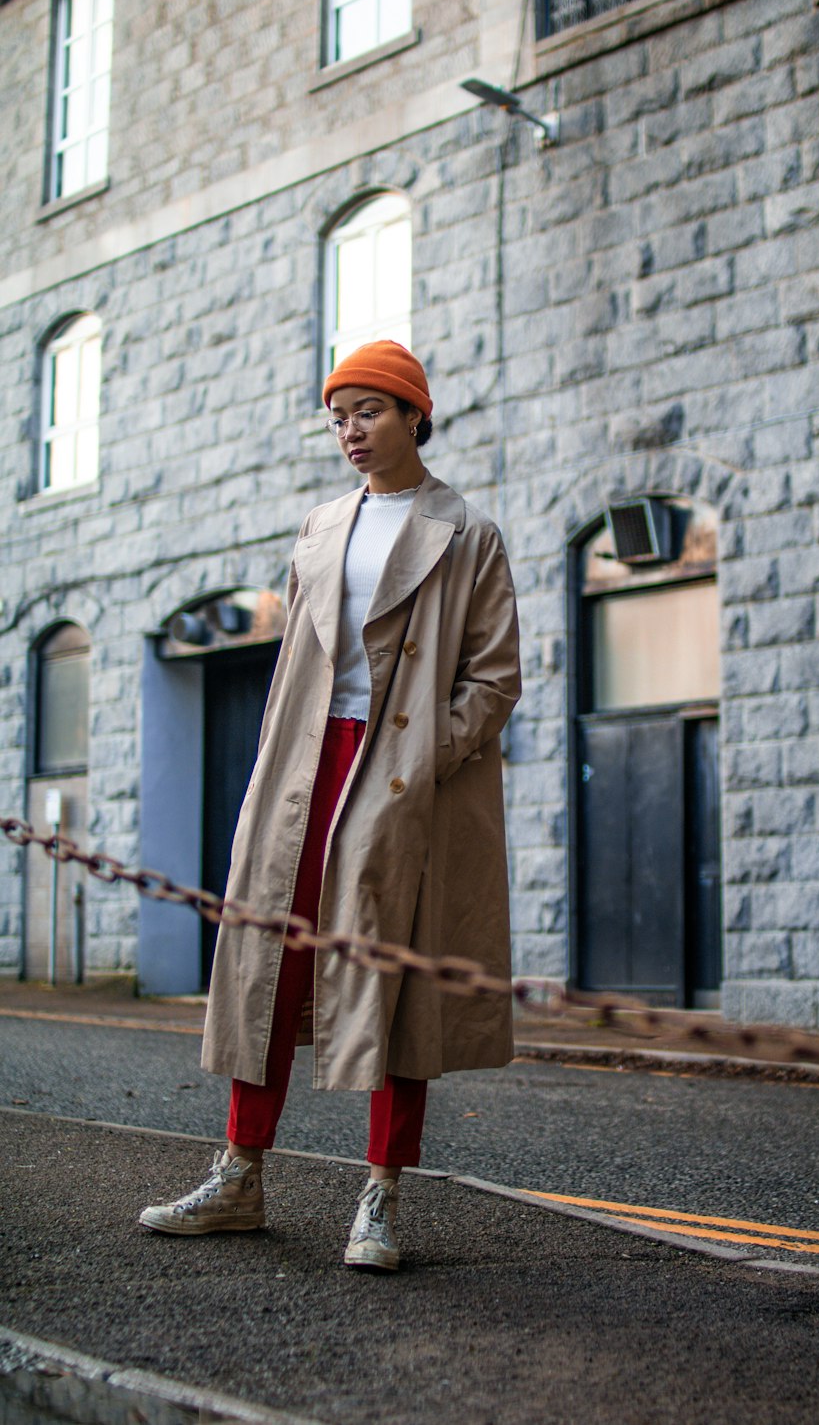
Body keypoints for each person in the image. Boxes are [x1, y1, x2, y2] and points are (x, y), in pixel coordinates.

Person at [139, 340, 521, 1271]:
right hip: (307, 767)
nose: (350, 431)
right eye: (339, 415)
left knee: (400, 980)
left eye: (370, 411)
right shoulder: (318, 526)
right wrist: (272, 765)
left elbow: (497, 677)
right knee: (271, 962)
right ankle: (239, 1175)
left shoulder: (466, 533)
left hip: (401, 777)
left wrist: (421, 757)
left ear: (413, 416)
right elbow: (293, 671)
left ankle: (380, 1198)